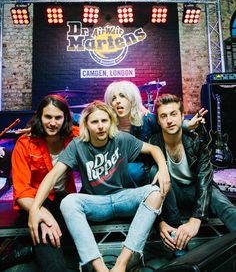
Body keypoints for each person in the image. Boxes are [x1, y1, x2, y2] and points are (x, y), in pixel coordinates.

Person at [28, 100, 170, 272]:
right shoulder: (77, 145)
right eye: (95, 122)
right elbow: (52, 177)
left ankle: (121, 264)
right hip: (96, 203)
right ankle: (100, 268)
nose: (100, 126)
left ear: (111, 122)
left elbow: (154, 149)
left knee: (154, 193)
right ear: (86, 125)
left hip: (123, 198)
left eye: (104, 121)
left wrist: (163, 170)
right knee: (68, 202)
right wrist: (35, 209)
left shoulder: (121, 139)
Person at [148, 93, 236, 255]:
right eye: (164, 116)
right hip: (170, 195)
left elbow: (204, 178)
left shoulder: (197, 140)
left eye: (174, 114)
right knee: (156, 172)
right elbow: (149, 185)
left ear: (182, 117)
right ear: (158, 121)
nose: (169, 120)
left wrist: (197, 218)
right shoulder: (153, 144)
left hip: (196, 190)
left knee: (220, 201)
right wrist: (159, 222)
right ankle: (179, 245)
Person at [11, 94, 80, 272]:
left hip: (65, 199)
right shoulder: (25, 144)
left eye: (58, 117)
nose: (52, 123)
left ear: (65, 118)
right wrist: (41, 213)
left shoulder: (75, 137)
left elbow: (98, 126)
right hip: (35, 201)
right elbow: (21, 192)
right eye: (47, 117)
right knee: (47, 233)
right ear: (39, 117)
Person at [104, 80, 207, 186]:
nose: (117, 101)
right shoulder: (107, 125)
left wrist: (187, 125)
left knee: (133, 171)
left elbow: (167, 125)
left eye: (122, 96)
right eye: (113, 98)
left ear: (132, 99)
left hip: (143, 168)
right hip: (118, 166)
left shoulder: (147, 120)